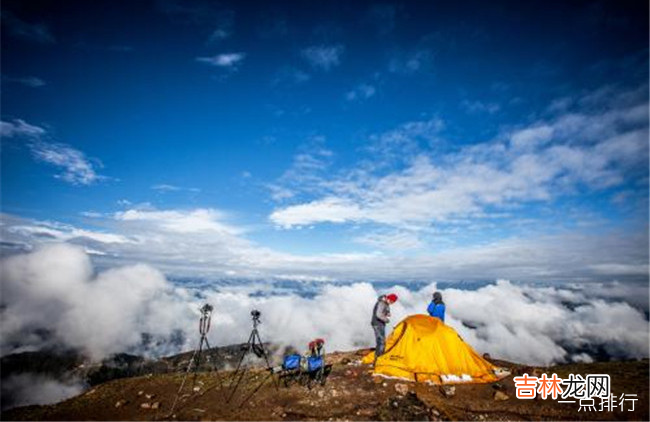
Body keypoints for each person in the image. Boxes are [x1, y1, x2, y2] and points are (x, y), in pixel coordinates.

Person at [371, 293, 398, 364]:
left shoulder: (385, 303)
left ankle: (379, 358)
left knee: (381, 341)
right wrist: (386, 319)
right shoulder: (382, 303)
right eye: (392, 301)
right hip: (377, 324)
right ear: (389, 299)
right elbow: (378, 315)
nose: (392, 303)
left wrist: (387, 313)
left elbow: (383, 312)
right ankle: (378, 360)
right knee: (381, 342)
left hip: (380, 324)